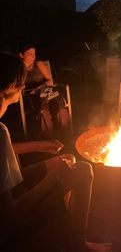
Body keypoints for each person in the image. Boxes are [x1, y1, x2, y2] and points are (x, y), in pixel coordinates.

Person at [0, 52, 112, 252]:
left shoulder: (1, 130)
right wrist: (54, 178)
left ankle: (66, 232)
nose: (24, 86)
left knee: (68, 158)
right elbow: (9, 217)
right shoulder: (0, 131)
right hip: (8, 220)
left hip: (11, 183)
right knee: (83, 170)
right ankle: (76, 244)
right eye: (20, 81)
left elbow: (4, 152)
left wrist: (40, 145)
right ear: (7, 88)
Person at [18, 42, 71, 144]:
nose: (33, 56)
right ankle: (50, 142)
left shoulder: (39, 64)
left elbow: (50, 81)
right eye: (29, 53)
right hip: (33, 97)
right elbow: (18, 87)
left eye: (34, 53)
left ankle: (67, 139)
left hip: (48, 92)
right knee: (43, 111)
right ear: (21, 55)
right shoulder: (18, 70)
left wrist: (40, 87)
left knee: (61, 108)